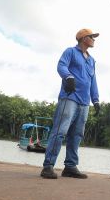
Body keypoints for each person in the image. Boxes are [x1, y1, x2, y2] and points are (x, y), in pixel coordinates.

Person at [41, 29, 101, 179]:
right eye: (92, 37)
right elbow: (61, 66)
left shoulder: (92, 60)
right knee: (60, 131)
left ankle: (70, 166)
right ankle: (48, 166)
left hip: (84, 102)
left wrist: (96, 100)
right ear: (83, 38)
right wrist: (68, 77)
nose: (94, 39)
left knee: (77, 134)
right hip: (69, 98)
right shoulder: (70, 52)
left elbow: (93, 81)